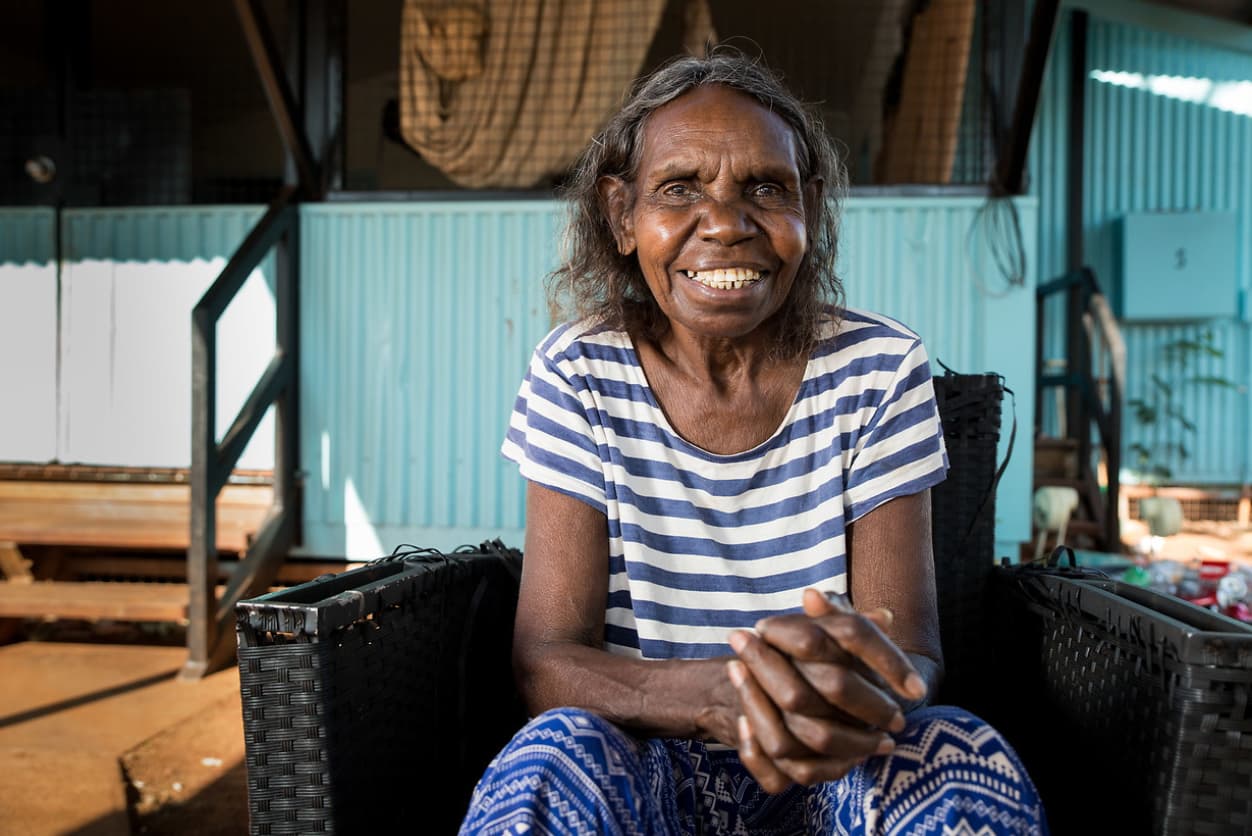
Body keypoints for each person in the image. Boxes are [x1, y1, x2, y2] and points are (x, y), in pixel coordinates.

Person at [461, 49, 1047, 835]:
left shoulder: (877, 369)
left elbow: (911, 655)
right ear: (620, 215)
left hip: (832, 765)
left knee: (953, 752)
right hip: (645, 761)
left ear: (807, 206)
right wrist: (714, 694)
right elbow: (545, 662)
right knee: (550, 759)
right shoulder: (580, 372)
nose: (729, 224)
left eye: (766, 189)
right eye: (679, 189)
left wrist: (832, 693)